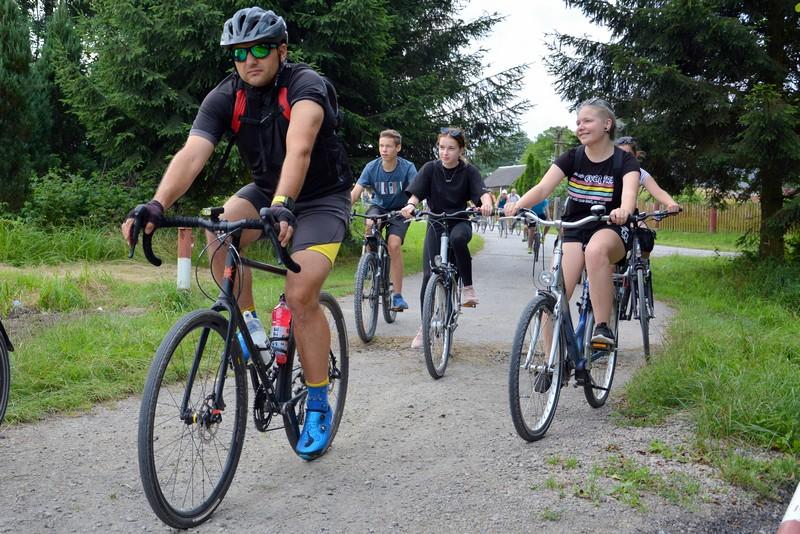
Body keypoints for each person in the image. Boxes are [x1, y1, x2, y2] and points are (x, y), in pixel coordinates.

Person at [121, 7, 352, 460]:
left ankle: (318, 402)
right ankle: (252, 330)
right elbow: (193, 153)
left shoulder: (306, 85)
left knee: (300, 292)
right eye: (240, 53)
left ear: (281, 50)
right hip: (266, 191)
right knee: (219, 232)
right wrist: (157, 204)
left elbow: (300, 148)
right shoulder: (226, 95)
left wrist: (283, 204)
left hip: (321, 198)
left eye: (260, 49)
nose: (250, 60)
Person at [505, 98, 640, 355]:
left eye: (587, 121)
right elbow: (543, 188)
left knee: (595, 251)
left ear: (607, 124)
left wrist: (623, 210)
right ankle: (550, 362)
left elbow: (630, 195)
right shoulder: (572, 157)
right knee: (556, 294)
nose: (580, 127)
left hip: (611, 225)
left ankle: (602, 327)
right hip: (575, 227)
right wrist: (517, 205)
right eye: (578, 122)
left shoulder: (625, 161)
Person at [400, 127, 493, 349]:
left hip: (459, 221)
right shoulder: (430, 168)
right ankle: (424, 326)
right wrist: (410, 205)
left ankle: (468, 287)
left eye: (451, 148)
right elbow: (416, 193)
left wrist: (487, 204)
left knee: (458, 240)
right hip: (436, 222)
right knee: (428, 275)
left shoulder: (468, 171)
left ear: (460, 150)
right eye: (442, 147)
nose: (445, 152)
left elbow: (482, 193)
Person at [350, 129, 417, 311]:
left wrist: (411, 206)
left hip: (400, 211)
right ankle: (369, 262)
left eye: (388, 146)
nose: (384, 150)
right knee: (370, 223)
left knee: (393, 245)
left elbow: (416, 190)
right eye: (381, 146)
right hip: (378, 207)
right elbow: (356, 192)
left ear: (398, 148)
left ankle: (397, 296)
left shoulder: (407, 167)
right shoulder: (372, 167)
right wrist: (343, 207)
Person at [614, 136, 681, 257]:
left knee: (645, 238)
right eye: (619, 155)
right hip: (607, 215)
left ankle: (642, 266)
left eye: (628, 155)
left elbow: (657, 191)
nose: (623, 158)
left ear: (636, 155)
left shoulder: (639, 172)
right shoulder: (608, 170)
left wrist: (671, 203)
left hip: (630, 215)